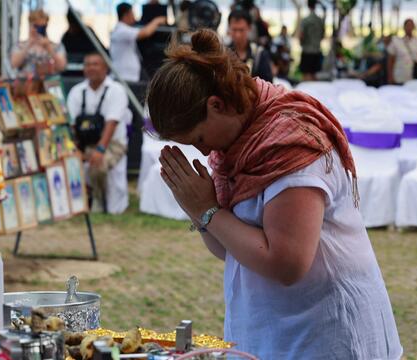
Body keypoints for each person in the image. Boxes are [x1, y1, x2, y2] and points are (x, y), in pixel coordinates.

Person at [145, 28, 402, 359]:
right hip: (277, 333)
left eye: (197, 137)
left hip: (327, 335)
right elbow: (232, 251)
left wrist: (209, 211)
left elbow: (287, 264)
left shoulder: (290, 143)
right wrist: (198, 209)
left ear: (216, 104)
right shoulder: (237, 146)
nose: (202, 149)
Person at [67, 52, 131, 214]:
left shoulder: (116, 90)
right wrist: (75, 150)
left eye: (95, 64)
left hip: (112, 144)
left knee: (97, 164)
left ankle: (97, 200)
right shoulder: (76, 91)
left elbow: (112, 124)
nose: (91, 68)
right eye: (87, 64)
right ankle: (74, 204)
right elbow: (71, 125)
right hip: (85, 143)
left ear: (105, 68)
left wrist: (100, 150)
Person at [109, 2, 166, 82]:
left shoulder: (124, 29)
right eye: (133, 13)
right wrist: (157, 21)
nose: (134, 17)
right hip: (124, 76)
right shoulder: (121, 30)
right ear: (127, 14)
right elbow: (145, 33)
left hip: (130, 75)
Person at [10, 9, 67, 78]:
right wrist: (29, 44)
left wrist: (48, 48)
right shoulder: (20, 45)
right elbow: (14, 64)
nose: (39, 29)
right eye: (36, 26)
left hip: (49, 84)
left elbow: (62, 66)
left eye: (42, 27)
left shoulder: (56, 46)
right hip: (26, 85)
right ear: (30, 25)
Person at [226, 10, 273, 82]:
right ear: (229, 28)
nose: (238, 35)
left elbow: (268, 84)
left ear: (249, 28)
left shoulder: (260, 54)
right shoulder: (223, 53)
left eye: (241, 30)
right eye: (234, 30)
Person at [387, 18, 417, 84]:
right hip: (399, 77)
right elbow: (390, 60)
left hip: (415, 77)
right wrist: (390, 77)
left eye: (411, 25)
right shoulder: (396, 41)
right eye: (408, 25)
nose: (409, 27)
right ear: (404, 27)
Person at [298, 0, 325, 81]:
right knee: (314, 75)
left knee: (306, 76)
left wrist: (302, 43)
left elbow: (301, 35)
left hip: (307, 50)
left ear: (308, 6)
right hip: (317, 50)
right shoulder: (319, 20)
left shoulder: (305, 20)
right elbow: (323, 35)